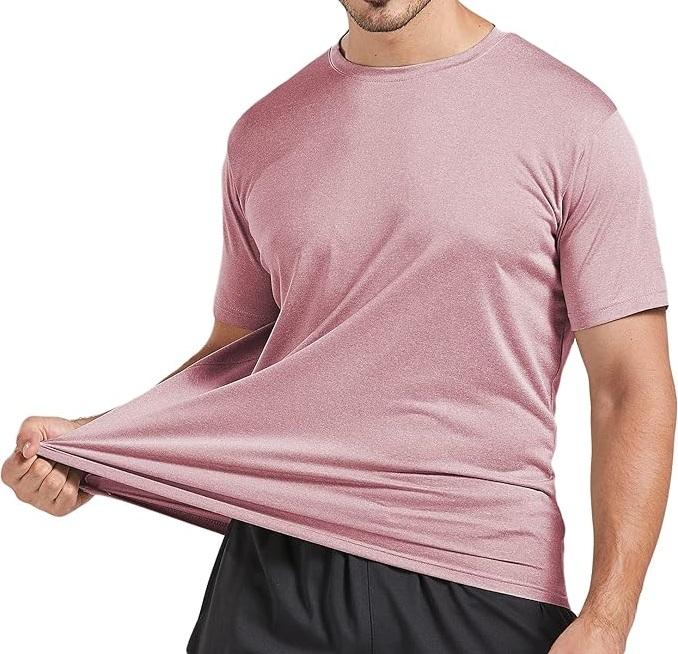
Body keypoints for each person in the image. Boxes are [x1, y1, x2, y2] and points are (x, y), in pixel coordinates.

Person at [3, 1, 675, 652]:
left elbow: (630, 387)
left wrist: (607, 620)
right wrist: (94, 443)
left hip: (476, 569)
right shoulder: (264, 134)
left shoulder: (572, 122)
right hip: (272, 562)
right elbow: (236, 357)